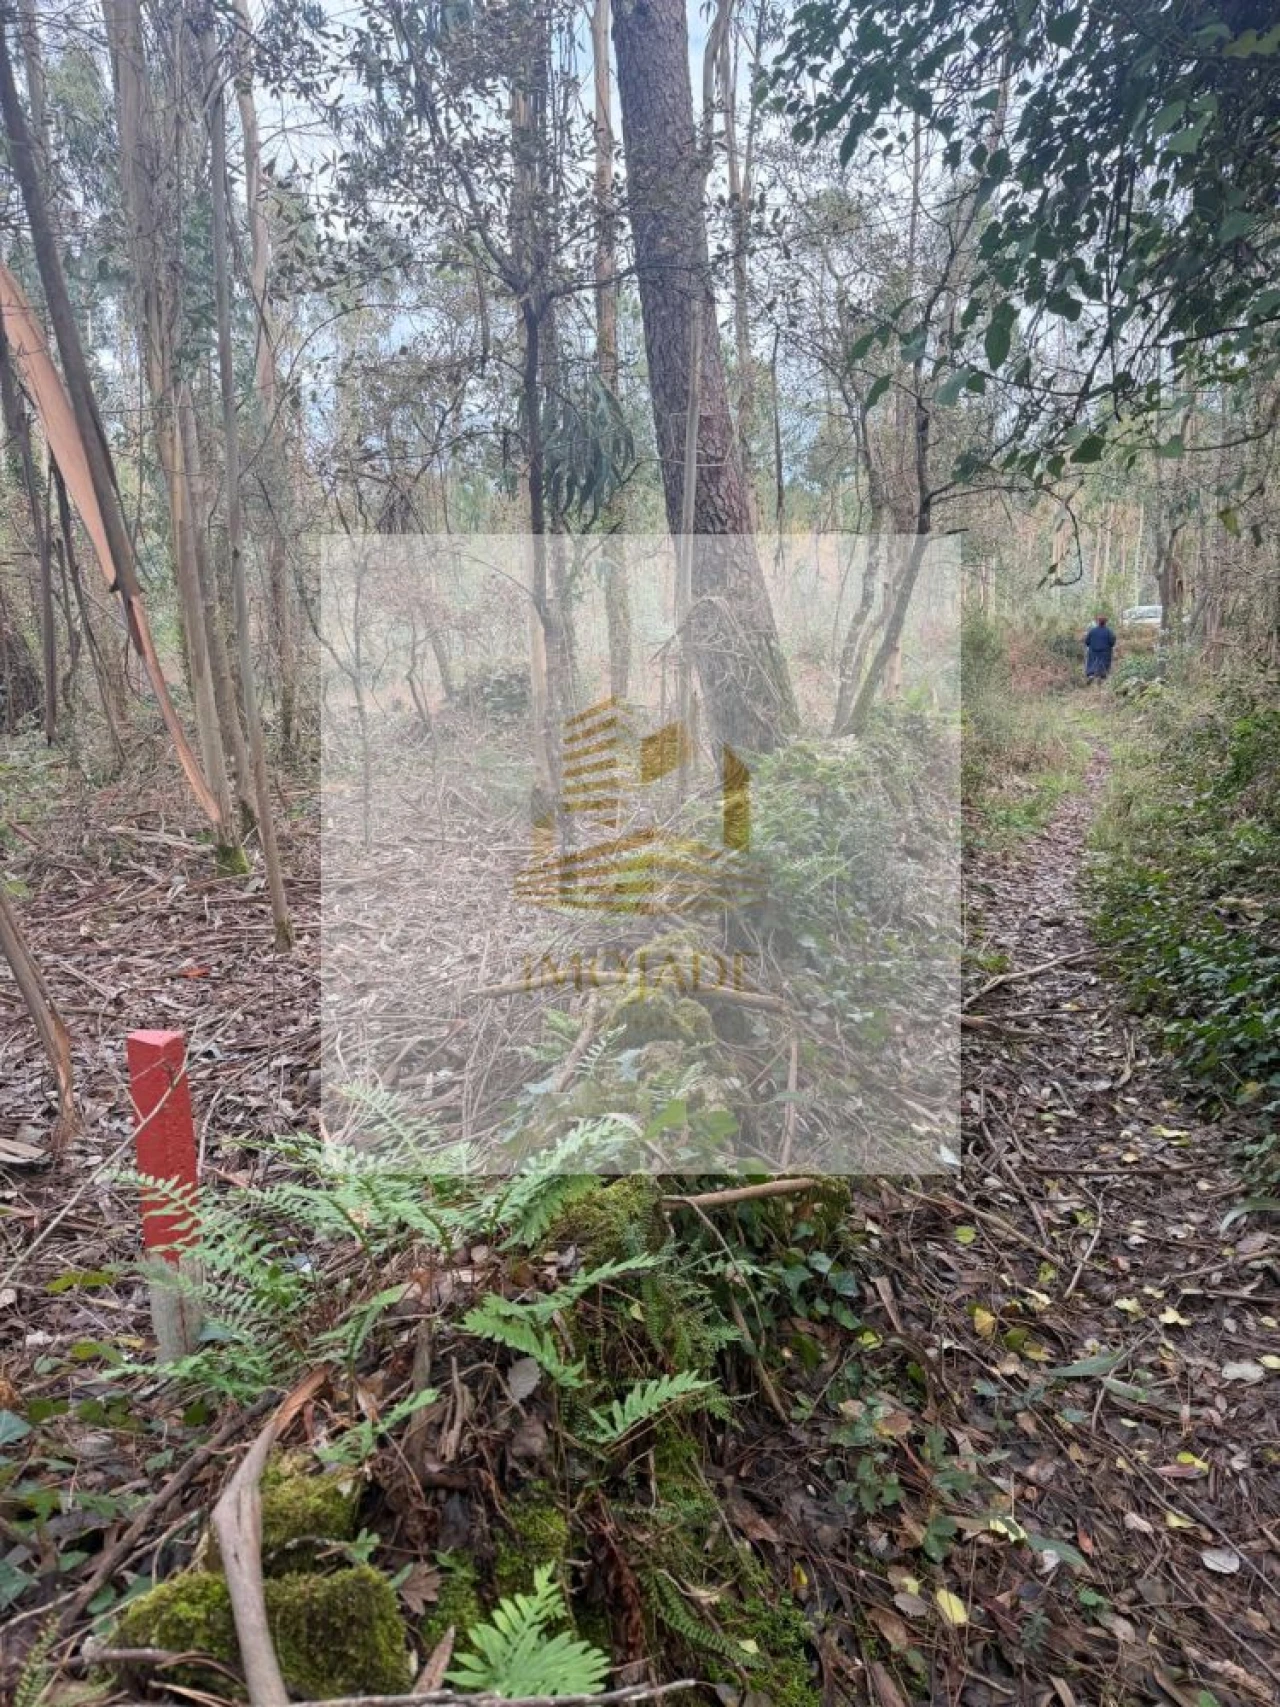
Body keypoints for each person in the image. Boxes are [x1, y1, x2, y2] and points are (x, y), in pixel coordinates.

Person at [1084, 613, 1116, 682]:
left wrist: (1092, 645)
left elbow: (1086, 642)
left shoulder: (1092, 631)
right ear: (1105, 622)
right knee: (1104, 664)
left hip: (1093, 651)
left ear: (1098, 622)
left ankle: (1091, 675)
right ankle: (1101, 677)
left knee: (1092, 663)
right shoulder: (1109, 631)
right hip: (1105, 652)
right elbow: (1112, 642)